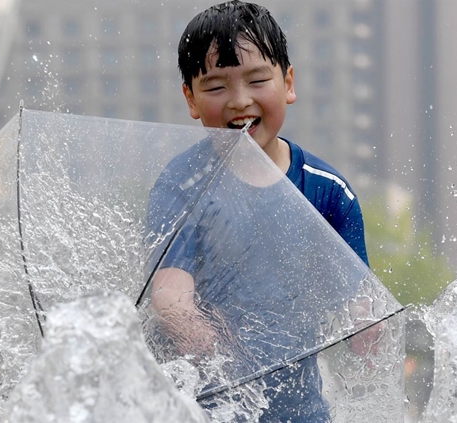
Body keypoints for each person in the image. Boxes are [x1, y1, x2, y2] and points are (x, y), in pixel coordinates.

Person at [146, 1, 370, 421]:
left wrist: (366, 330)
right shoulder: (182, 187)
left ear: (287, 82)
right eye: (215, 88)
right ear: (190, 99)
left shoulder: (327, 191)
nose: (239, 101)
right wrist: (214, 350)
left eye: (257, 80)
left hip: (301, 409)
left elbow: (359, 300)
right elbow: (170, 296)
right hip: (205, 405)